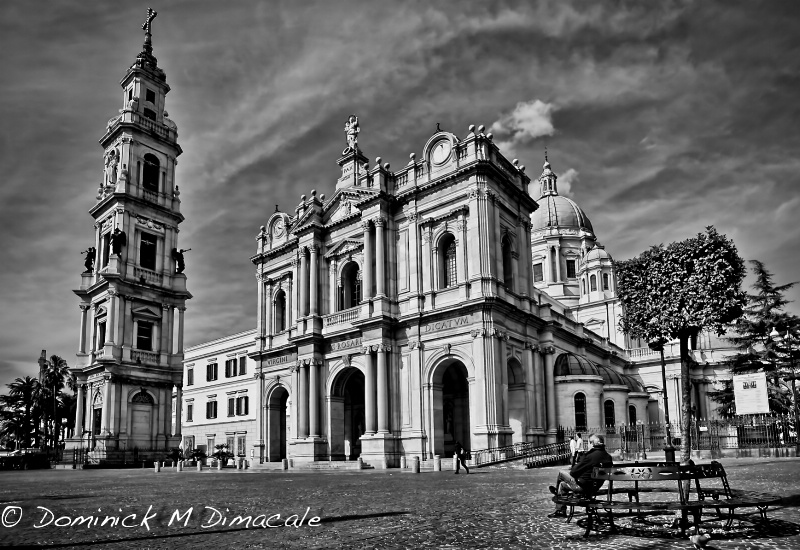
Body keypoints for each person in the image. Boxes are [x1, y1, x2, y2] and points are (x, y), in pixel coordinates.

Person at [547, 434, 613, 518]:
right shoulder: (608, 457)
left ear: (592, 444)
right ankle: (558, 499)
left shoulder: (590, 456)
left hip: (583, 487)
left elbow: (573, 472)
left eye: (588, 443)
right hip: (595, 487)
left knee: (561, 473)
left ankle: (559, 506)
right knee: (562, 485)